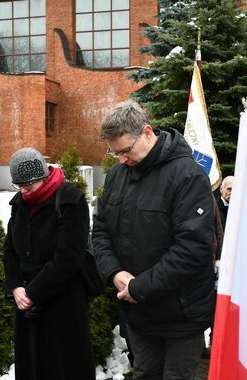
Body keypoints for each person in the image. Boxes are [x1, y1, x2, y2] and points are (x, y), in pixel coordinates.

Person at [92, 101, 215, 380]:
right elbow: (100, 230)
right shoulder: (116, 175)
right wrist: (114, 272)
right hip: (138, 313)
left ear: (147, 132)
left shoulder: (188, 175)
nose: (121, 159)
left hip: (182, 313)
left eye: (125, 151)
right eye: (115, 153)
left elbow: (192, 248)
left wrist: (140, 286)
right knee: (145, 373)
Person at [3, 147, 94, 379]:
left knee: (63, 367)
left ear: (42, 178)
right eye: (18, 185)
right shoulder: (19, 204)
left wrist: (33, 293)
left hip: (63, 303)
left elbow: (68, 258)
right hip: (26, 303)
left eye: (28, 185)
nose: (23, 190)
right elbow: (10, 251)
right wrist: (16, 288)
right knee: (32, 368)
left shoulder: (71, 201)